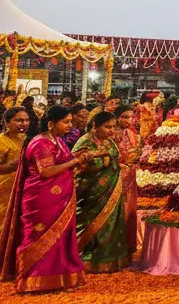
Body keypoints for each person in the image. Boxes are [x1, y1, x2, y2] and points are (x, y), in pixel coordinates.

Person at [0, 105, 96, 293]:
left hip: (60, 198)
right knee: (39, 236)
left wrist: (80, 161)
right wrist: (75, 161)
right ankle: (33, 280)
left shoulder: (57, 141)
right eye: (66, 121)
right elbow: (46, 171)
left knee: (59, 239)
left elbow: (63, 165)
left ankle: (56, 279)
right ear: (51, 124)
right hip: (41, 198)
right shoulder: (40, 143)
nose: (71, 124)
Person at [72, 111, 130, 272]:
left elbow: (114, 158)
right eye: (107, 127)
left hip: (111, 189)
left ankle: (109, 258)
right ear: (94, 126)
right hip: (90, 193)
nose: (111, 130)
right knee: (89, 222)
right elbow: (77, 164)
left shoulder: (109, 141)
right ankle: (87, 259)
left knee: (111, 222)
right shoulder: (85, 142)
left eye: (113, 127)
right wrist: (101, 161)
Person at [112, 106, 139, 254]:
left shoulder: (132, 134)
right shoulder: (111, 134)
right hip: (116, 174)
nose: (129, 120)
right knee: (117, 209)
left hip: (130, 174)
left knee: (130, 209)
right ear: (117, 118)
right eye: (124, 117)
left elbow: (135, 153)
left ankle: (127, 246)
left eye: (131, 117)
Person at [1, 108, 31, 223]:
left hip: (20, 188)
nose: (24, 124)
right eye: (19, 120)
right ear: (7, 123)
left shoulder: (23, 138)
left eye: (27, 120)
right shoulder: (2, 141)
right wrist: (12, 165)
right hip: (4, 191)